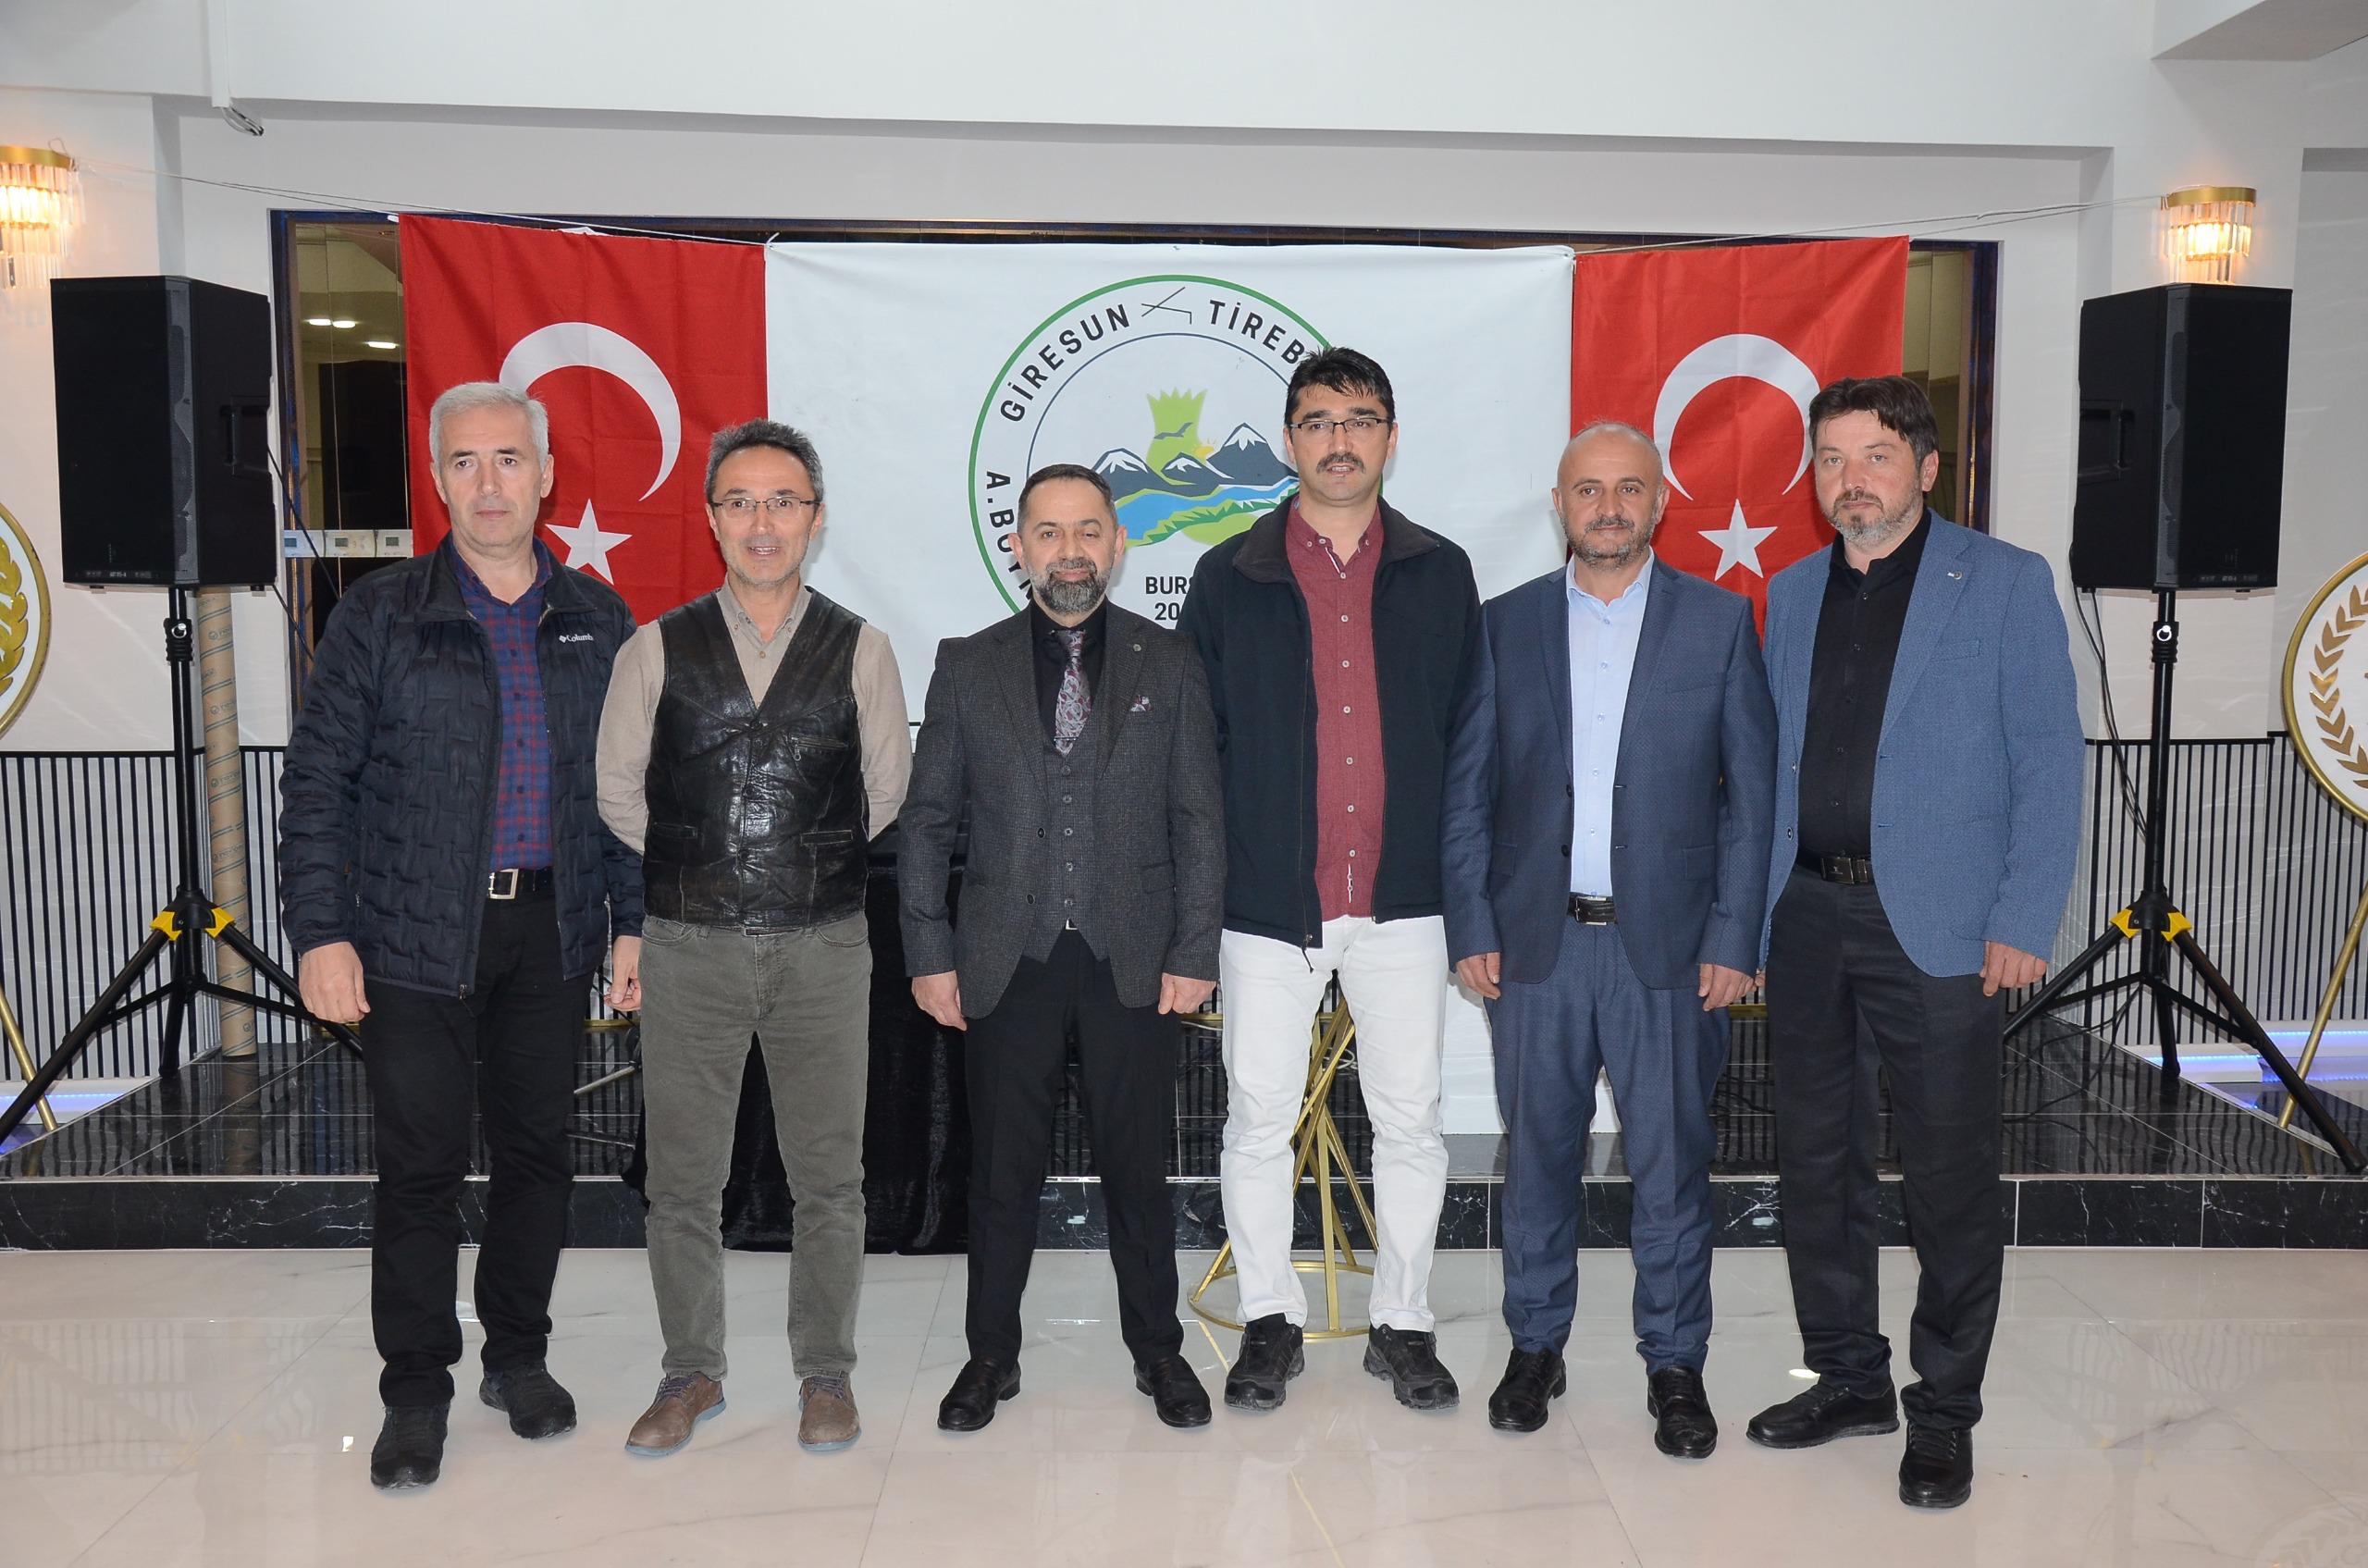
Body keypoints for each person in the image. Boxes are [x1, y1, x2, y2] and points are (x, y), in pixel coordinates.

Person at [280, 381, 642, 1491]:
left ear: (546, 476)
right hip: (410, 936)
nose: (489, 483)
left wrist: (632, 922)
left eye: (509, 460)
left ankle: (518, 1358)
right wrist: (320, 932)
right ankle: (415, 1389)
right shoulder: (380, 615)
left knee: (538, 1158)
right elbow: (318, 784)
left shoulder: (598, 618)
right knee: (421, 1168)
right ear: (438, 479)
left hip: (551, 932)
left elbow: (628, 793)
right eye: (465, 462)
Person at [1746, 376, 2082, 1510]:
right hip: (1805, 918)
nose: (1851, 479)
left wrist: (2022, 920)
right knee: (1816, 1165)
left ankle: (1943, 1412)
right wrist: (1750, 914)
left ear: (1926, 469)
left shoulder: (2002, 582)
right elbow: (1773, 765)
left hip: (1940, 928)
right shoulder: (1791, 591)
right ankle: (1848, 1379)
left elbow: (2049, 759)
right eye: (1831, 459)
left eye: (1875, 456)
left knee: (1946, 1178)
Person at [1442, 422, 1775, 1453]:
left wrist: (1735, 935)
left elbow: (1751, 800)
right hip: (1535, 948)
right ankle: (1534, 1347)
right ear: (1559, 503)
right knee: (1537, 1160)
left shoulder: (1719, 622)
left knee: (1670, 1169)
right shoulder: (1504, 624)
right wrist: (1471, 920)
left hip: (1669, 952)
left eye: (1630, 488)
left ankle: (1675, 1363)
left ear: (1660, 502)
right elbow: (1467, 793)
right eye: (1588, 489)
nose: (1609, 507)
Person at [596, 418, 909, 1457]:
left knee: (829, 1179)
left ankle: (826, 1374)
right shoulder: (656, 646)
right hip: (691, 945)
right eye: (740, 501)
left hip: (825, 946)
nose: (761, 521)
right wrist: (709, 861)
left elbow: (883, 793)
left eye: (783, 501)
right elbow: (618, 792)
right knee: (684, 1181)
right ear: (712, 518)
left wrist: (792, 864)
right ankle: (691, 1371)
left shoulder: (863, 649)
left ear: (815, 519)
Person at [1177, 347, 1481, 1414]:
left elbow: (1471, 740)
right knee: (1257, 1119)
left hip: (1405, 899)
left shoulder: (1440, 571)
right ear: (1288, 441)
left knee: (1411, 1121)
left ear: (1390, 437)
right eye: (1316, 421)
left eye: (1358, 420)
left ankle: (1403, 1324)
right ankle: (1269, 1320)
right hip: (1271, 903)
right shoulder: (1229, 575)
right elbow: (1196, 752)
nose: (1338, 441)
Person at [900, 463, 1222, 1431]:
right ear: (1020, 547)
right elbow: (927, 821)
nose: (1070, 552)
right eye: (1049, 532)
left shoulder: (1171, 661)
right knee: (1000, 1175)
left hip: (1134, 957)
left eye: (1088, 531)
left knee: (1138, 1171)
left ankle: (1158, 1352)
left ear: (1118, 543)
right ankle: (989, 1357)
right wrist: (929, 953)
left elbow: (1199, 817)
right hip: (1008, 958)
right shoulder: (968, 663)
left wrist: (1194, 949)